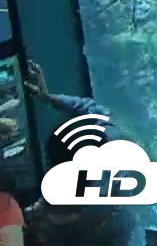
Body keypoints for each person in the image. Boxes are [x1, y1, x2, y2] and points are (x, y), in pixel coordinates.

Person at [18, 61, 146, 246]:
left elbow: (36, 218)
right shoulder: (113, 141)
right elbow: (89, 107)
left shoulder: (70, 214)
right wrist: (47, 97)